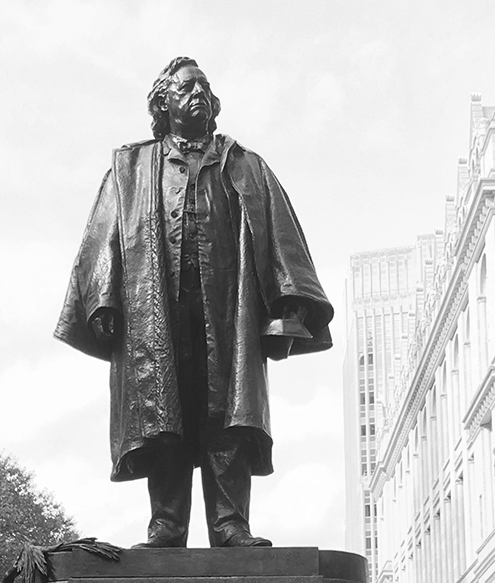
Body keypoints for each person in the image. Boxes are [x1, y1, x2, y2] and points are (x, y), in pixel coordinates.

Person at [55, 56, 333, 548]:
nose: (198, 93)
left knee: (227, 415)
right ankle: (166, 524)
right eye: (186, 88)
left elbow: (282, 239)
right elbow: (105, 236)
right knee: (162, 413)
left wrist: (292, 307)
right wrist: (102, 300)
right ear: (164, 103)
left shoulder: (244, 164)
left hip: (227, 310)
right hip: (153, 312)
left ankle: (230, 524)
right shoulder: (133, 167)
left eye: (204, 86)